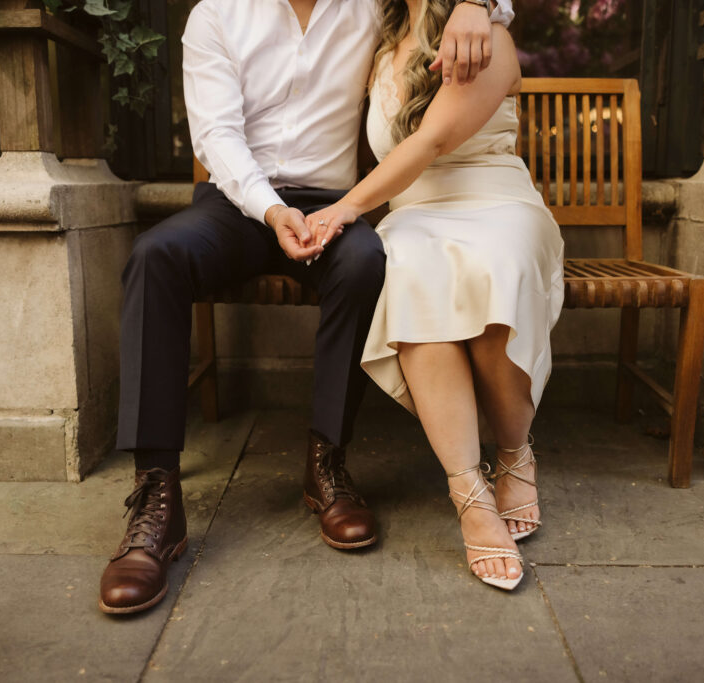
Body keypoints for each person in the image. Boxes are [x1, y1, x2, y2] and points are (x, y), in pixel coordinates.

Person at [99, 0, 515, 614]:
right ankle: (155, 492)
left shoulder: (371, 10)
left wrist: (479, 4)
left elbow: (460, 9)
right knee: (156, 256)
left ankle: (327, 463)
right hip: (237, 204)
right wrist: (270, 209)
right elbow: (215, 133)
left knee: (367, 260)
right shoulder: (216, 13)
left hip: (332, 204)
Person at [305, 0, 565, 590]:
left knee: (495, 264)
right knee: (412, 266)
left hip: (496, 201)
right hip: (416, 212)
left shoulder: (486, 33)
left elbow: (430, 143)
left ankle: (515, 452)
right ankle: (469, 492)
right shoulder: (379, 44)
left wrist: (343, 211)